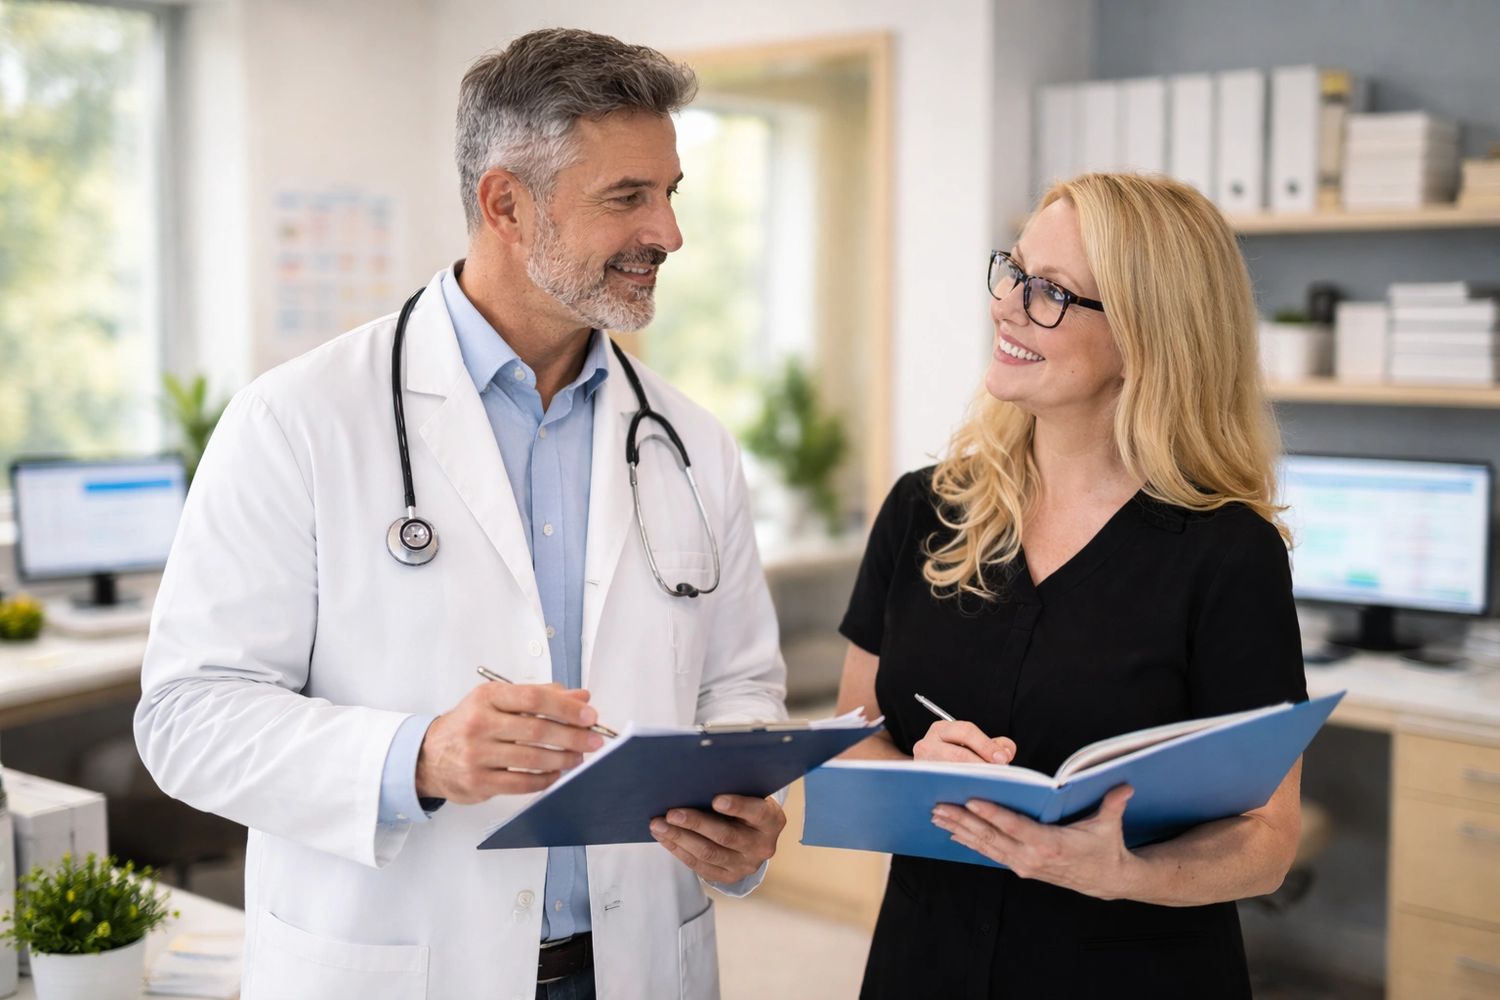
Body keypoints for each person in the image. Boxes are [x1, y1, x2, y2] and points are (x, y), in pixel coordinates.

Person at [136, 28, 789, 1000]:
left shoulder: (689, 441)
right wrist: (419, 755)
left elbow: (739, 684)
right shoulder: (300, 419)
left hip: (634, 963)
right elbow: (189, 718)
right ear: (505, 204)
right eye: (627, 197)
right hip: (397, 965)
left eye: (670, 192)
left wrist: (740, 805)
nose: (669, 233)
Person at [834, 172, 1306, 998]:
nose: (1009, 306)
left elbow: (1267, 840)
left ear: (1149, 335)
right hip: (927, 964)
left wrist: (1118, 870)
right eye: (1014, 272)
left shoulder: (1229, 553)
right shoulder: (922, 510)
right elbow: (848, 747)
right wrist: (915, 777)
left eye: (1052, 292)